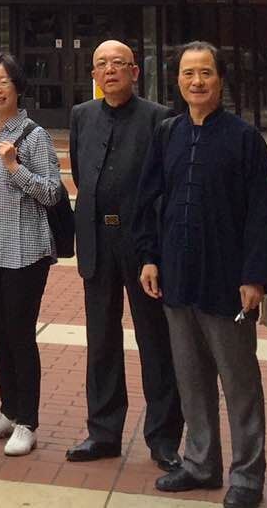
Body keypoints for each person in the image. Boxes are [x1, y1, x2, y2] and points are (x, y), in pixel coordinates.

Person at [137, 41, 267, 508]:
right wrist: (149, 257)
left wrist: (254, 276)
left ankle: (247, 477)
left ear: (221, 79)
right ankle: (200, 463)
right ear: (177, 80)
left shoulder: (245, 138)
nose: (197, 81)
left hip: (228, 282)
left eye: (206, 73)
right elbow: (150, 200)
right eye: (188, 73)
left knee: (240, 384)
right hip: (176, 278)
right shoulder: (167, 133)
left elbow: (259, 214)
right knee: (191, 379)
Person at [67, 40, 181, 470]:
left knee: (155, 341)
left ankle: (163, 437)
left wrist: (154, 249)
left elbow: (164, 186)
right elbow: (81, 175)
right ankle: (103, 432)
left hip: (142, 243)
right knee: (101, 341)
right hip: (97, 240)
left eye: (119, 63)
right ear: (93, 75)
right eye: (102, 64)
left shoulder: (159, 118)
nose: (110, 69)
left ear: (135, 72)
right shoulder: (82, 116)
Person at [0, 52, 61, 458]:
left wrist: (14, 167)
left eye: (3, 82)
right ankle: (7, 410)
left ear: (18, 87)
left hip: (25, 252)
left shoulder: (34, 136)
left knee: (20, 336)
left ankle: (27, 422)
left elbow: (52, 192)